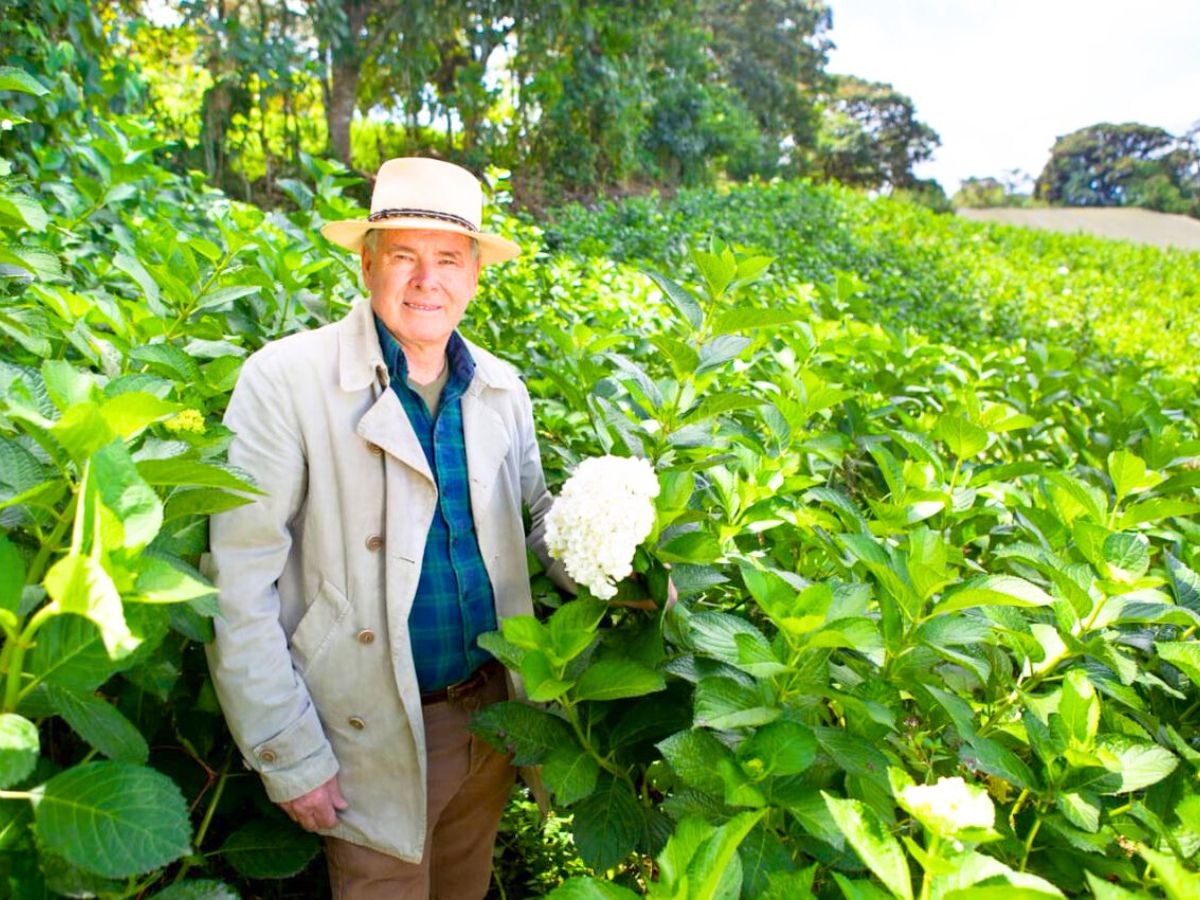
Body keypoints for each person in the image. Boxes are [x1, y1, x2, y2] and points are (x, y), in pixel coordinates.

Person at [205, 157, 570, 899]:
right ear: (367, 264)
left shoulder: (501, 389)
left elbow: (536, 527)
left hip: (492, 718)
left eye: (447, 260)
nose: (425, 280)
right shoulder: (284, 382)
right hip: (370, 733)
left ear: (474, 274)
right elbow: (239, 586)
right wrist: (289, 752)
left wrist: (616, 541)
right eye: (402, 256)